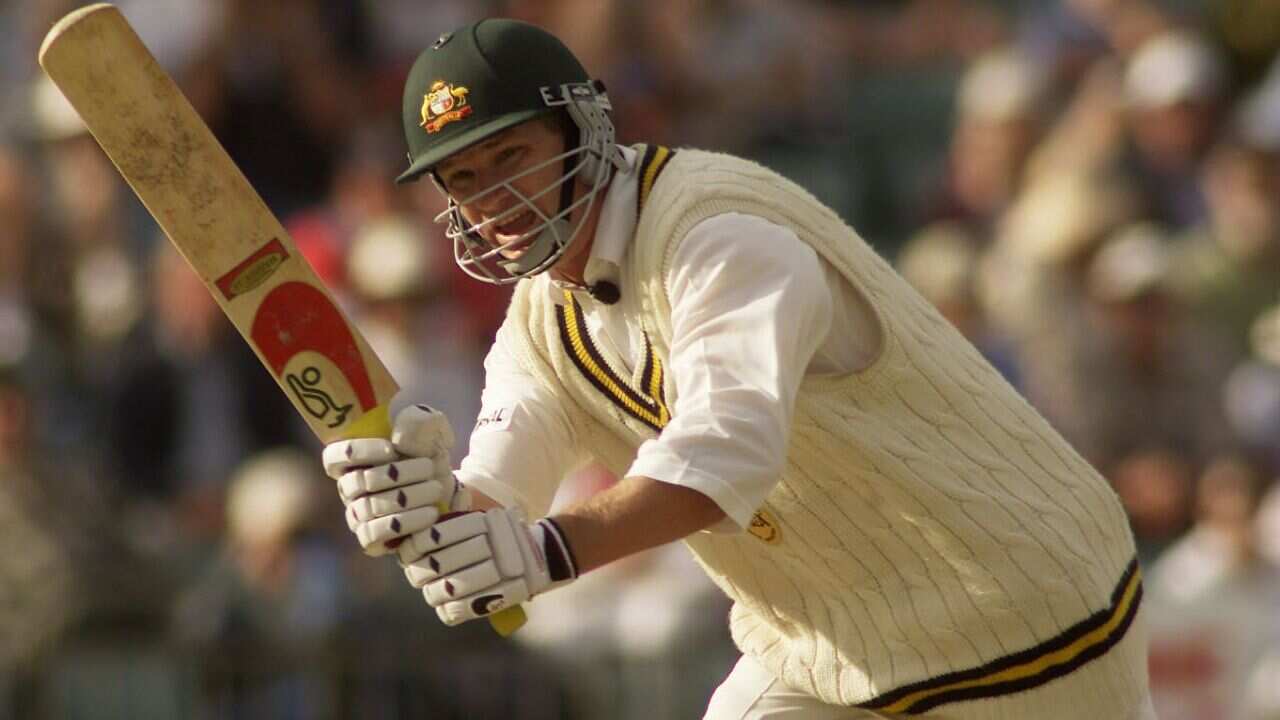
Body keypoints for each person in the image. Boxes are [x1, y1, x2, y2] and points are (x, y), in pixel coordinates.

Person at [321, 19, 1156, 719]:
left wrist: (544, 554)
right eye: (464, 178)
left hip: (1026, 620)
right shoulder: (542, 318)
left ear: (583, 126)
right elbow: (499, 498)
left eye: (509, 157)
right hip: (825, 648)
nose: (492, 198)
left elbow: (725, 454)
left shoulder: (719, 233)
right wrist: (418, 504)